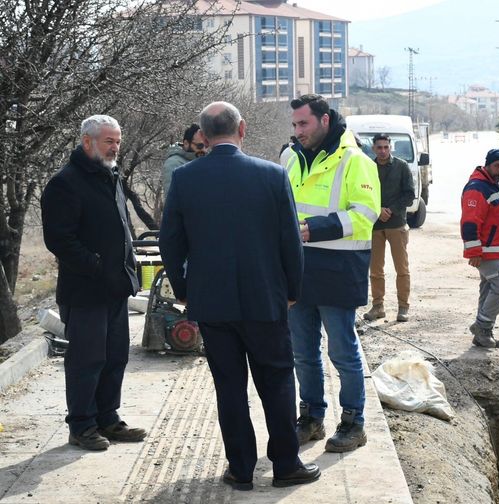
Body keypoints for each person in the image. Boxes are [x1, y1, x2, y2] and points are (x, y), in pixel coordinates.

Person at [159, 102, 319, 491]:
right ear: (242, 129)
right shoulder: (272, 175)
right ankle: (285, 464)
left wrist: (186, 292)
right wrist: (293, 291)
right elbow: (290, 243)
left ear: (204, 135)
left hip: (212, 304)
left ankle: (241, 469)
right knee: (278, 381)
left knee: (229, 386)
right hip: (266, 299)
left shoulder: (185, 178)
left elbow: (171, 244)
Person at [279, 94, 380, 453]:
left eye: (303, 123)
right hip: (298, 272)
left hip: (338, 271)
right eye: (294, 125)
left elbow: (366, 214)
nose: (297, 131)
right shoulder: (289, 157)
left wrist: (314, 228)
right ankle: (311, 419)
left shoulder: (356, 160)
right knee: (302, 352)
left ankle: (353, 423)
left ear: (324, 120)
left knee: (343, 353)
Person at [41, 115, 146, 451]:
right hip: (86, 290)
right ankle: (82, 425)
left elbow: (121, 228)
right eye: (108, 141)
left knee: (116, 355)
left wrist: (127, 267)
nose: (115, 147)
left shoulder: (110, 175)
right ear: (87, 142)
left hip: (115, 287)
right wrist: (97, 266)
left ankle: (108, 418)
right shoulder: (65, 182)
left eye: (117, 141)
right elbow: (59, 239)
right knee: (87, 359)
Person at [460, 148, 499, 348]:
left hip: (495, 251)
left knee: (488, 288)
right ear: (487, 165)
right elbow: (469, 222)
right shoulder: (477, 188)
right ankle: (482, 327)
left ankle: (484, 334)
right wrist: (474, 252)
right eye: (497, 166)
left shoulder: (497, 185)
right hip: (485, 252)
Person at [363, 133, 415, 323]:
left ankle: (403, 308)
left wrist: (391, 210)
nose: (383, 151)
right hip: (374, 225)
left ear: (390, 147)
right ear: (373, 148)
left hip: (396, 224)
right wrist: (377, 211)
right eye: (379, 147)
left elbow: (409, 194)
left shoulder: (401, 166)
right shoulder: (367, 167)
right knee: (375, 269)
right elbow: (362, 194)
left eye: (386, 147)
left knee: (402, 268)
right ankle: (378, 307)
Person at [162, 123, 205, 199]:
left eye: (207, 145)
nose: (204, 150)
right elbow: (171, 199)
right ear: (186, 143)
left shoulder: (204, 161)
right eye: (200, 146)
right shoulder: (173, 163)